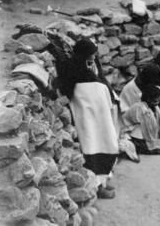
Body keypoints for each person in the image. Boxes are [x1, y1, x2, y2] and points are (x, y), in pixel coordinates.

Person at [59, 39, 118, 199]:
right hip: (88, 119)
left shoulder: (89, 67)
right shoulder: (74, 70)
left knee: (107, 144)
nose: (94, 57)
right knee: (93, 148)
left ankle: (103, 180)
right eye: (91, 54)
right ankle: (97, 188)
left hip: (100, 117)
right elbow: (72, 93)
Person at [121, 84, 160, 155]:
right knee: (141, 128)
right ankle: (142, 147)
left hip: (137, 127)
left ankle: (141, 145)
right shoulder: (141, 108)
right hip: (129, 130)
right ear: (148, 99)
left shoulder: (153, 106)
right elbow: (147, 128)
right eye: (156, 98)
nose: (158, 100)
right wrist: (151, 146)